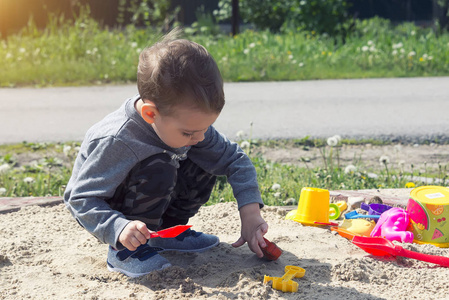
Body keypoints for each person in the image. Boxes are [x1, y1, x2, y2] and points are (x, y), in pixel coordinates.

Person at [63, 28, 268, 278]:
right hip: (114, 210)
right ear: (151, 114)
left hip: (151, 197)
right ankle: (126, 252)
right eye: (190, 132)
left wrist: (250, 214)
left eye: (205, 128)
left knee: (205, 158)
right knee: (159, 164)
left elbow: (235, 161)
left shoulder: (187, 126)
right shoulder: (118, 140)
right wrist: (118, 228)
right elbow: (80, 198)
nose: (200, 136)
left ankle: (167, 232)